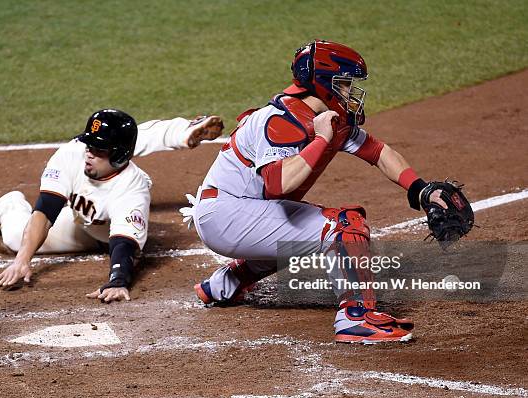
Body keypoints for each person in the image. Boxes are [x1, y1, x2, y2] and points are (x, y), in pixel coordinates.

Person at [181, 40, 450, 343]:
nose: (350, 92)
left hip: (241, 213)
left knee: (298, 230)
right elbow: (277, 184)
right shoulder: (280, 121)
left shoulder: (329, 119)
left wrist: (420, 189)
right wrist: (321, 139)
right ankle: (356, 317)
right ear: (323, 85)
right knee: (345, 225)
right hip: (225, 216)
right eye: (344, 84)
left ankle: (226, 283)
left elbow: (377, 152)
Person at [0, 109, 224, 302]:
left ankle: (183, 129)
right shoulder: (73, 153)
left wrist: (118, 281)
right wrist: (22, 260)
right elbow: (46, 210)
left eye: (99, 150)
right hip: (79, 218)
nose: (89, 153)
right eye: (89, 145)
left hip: (103, 230)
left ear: (117, 156)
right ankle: (5, 206)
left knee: (112, 240)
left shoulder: (132, 188)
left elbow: (123, 244)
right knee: (15, 239)